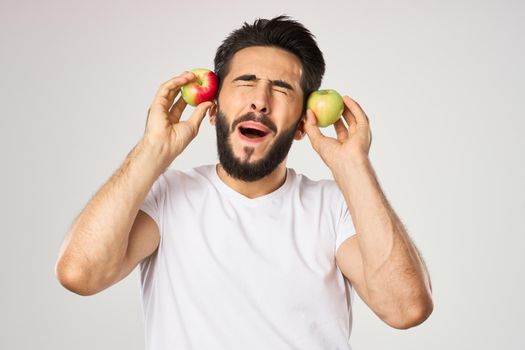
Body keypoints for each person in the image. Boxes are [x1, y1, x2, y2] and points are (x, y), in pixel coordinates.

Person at [55, 15, 433, 350]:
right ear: (214, 106)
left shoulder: (334, 207)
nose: (260, 102)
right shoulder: (167, 196)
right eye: (245, 82)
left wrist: (354, 167)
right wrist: (153, 149)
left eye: (282, 89)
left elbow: (405, 308)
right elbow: (80, 274)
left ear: (303, 123)